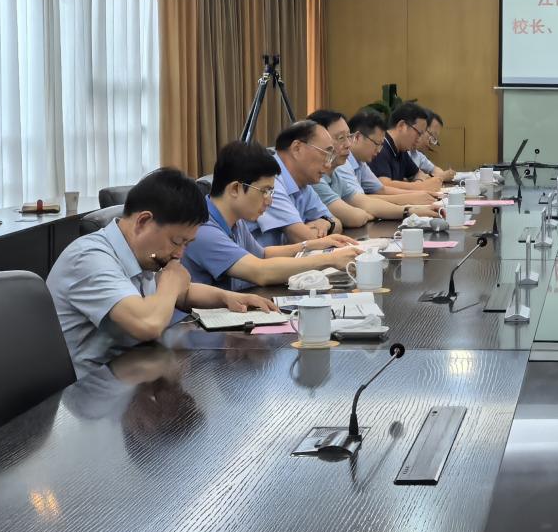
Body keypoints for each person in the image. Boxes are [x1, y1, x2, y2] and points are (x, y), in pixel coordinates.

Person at [48, 168, 275, 368]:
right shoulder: (90, 258)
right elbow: (148, 323)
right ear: (143, 222)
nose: (179, 254)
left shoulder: (140, 250)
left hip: (131, 372)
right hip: (88, 389)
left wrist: (227, 297)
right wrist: (171, 282)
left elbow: (182, 291)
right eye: (177, 242)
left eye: (187, 244)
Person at [182, 140, 361, 290]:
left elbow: (263, 254)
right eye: (265, 191)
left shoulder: (235, 220)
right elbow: (260, 271)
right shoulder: (203, 229)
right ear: (235, 188)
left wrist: (310, 245)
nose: (269, 201)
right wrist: (329, 260)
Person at [254, 120, 342, 246]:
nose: (328, 165)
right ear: (297, 148)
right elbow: (304, 239)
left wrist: (327, 223)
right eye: (326, 154)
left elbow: (337, 224)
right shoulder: (268, 179)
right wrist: (314, 231)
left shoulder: (303, 183)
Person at [345, 109, 443, 209]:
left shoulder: (361, 162)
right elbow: (361, 200)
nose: (378, 150)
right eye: (418, 133)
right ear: (357, 137)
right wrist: (414, 194)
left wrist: (419, 193)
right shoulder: (343, 163)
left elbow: (381, 189)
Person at [368, 102, 446, 192]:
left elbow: (419, 173)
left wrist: (419, 183)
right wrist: (420, 186)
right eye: (419, 133)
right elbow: (383, 185)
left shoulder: (401, 150)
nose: (419, 139)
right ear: (402, 126)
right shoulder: (380, 146)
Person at [410, 110, 457, 183]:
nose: (431, 143)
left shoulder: (417, 154)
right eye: (432, 135)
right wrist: (441, 177)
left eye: (434, 139)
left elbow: (434, 170)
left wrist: (446, 174)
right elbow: (412, 183)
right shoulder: (403, 152)